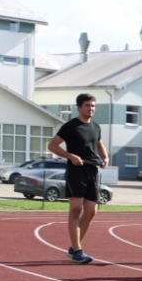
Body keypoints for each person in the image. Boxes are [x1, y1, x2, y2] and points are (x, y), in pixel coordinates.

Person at [49, 92, 109, 264]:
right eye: (87, 105)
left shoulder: (96, 127)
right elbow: (52, 145)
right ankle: (77, 250)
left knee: (91, 211)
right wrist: (71, 156)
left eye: (93, 106)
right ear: (79, 107)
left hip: (93, 171)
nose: (91, 109)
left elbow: (100, 145)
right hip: (76, 171)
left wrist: (105, 157)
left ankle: (74, 247)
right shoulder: (70, 126)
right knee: (76, 209)